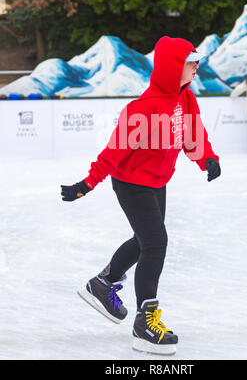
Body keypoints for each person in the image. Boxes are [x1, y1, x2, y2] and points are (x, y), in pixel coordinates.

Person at [61, 36, 221, 355]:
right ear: (173, 67)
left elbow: (194, 134)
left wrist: (208, 158)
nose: (196, 66)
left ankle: (103, 283)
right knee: (155, 243)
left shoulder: (185, 98)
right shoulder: (143, 109)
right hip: (131, 182)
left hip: (157, 181)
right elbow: (113, 152)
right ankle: (144, 324)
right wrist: (85, 184)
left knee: (145, 239)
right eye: (190, 62)